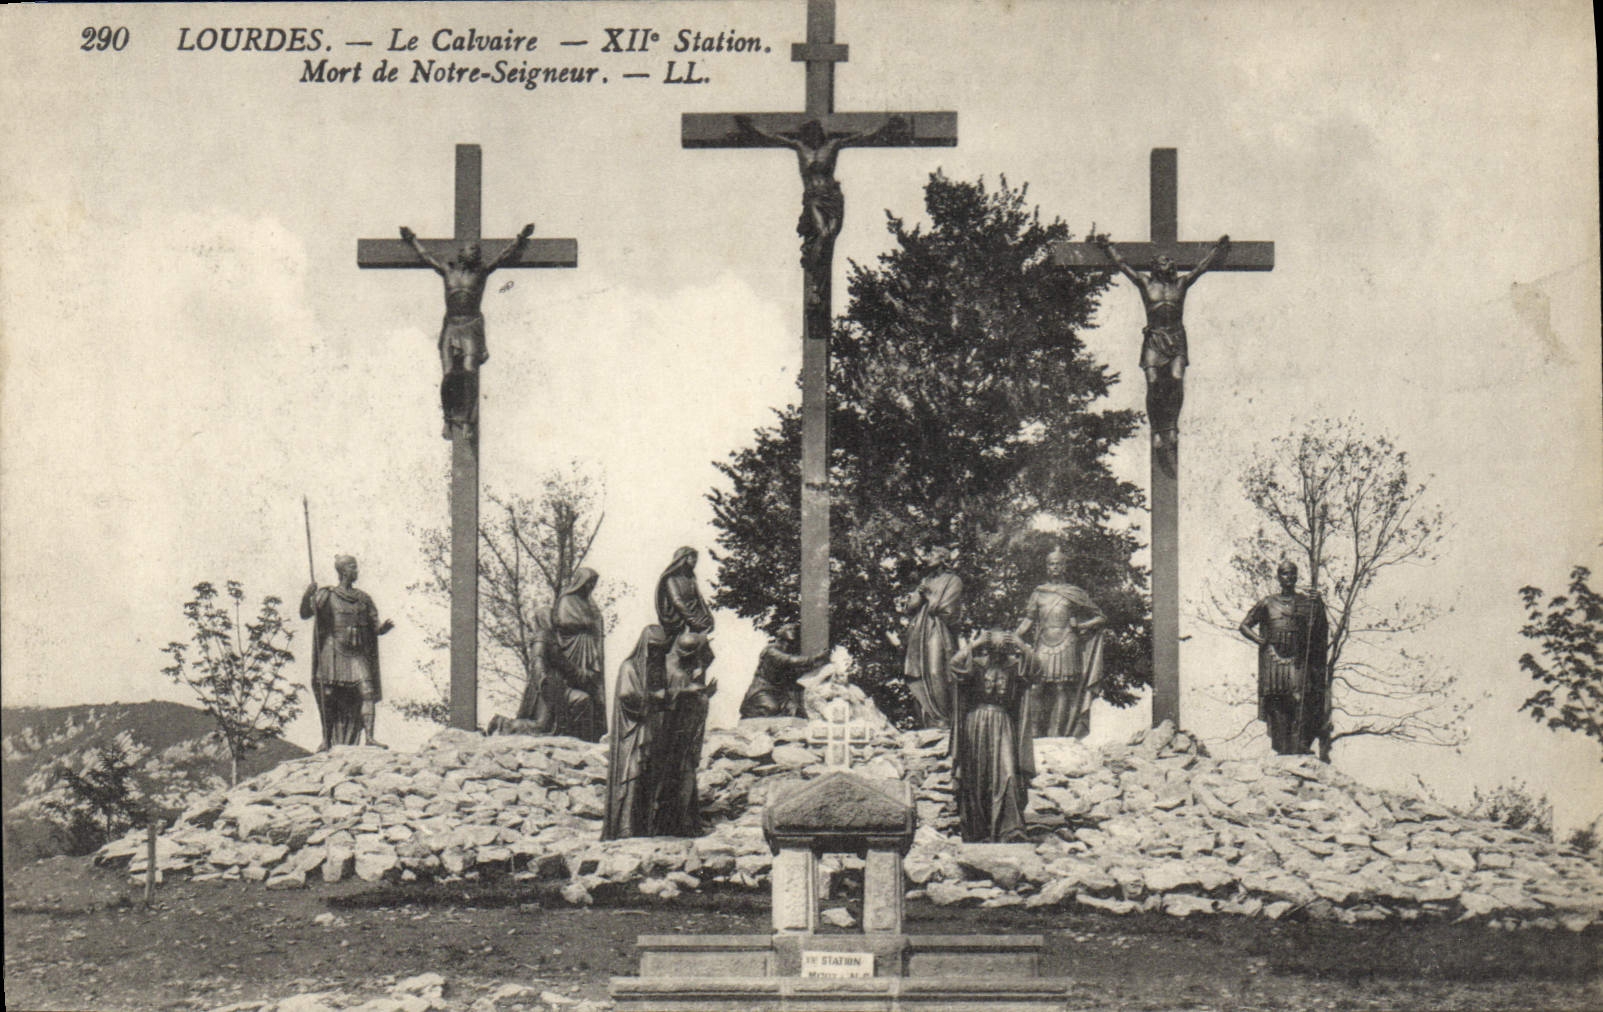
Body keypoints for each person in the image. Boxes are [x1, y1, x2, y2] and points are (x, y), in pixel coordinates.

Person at [733, 115, 909, 304]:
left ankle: (817, 279)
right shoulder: (799, 147)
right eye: (809, 132)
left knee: (829, 235)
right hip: (813, 200)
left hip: (832, 198)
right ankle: (816, 283)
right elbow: (772, 136)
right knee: (823, 235)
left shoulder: (833, 145)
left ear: (820, 133)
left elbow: (861, 136)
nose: (813, 135)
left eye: (815, 132)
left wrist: (883, 126)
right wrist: (750, 127)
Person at [1094, 232, 1230, 472]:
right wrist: (1107, 248)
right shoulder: (1145, 284)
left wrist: (1218, 250)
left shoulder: (1181, 284)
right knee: (1153, 384)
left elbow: (1202, 267)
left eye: (1168, 261)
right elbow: (1123, 265)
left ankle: (1172, 428)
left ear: (1172, 266)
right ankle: (1157, 430)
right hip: (1154, 338)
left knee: (1177, 379)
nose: (1165, 263)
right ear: (1154, 266)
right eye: (1160, 261)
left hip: (1176, 338)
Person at [398, 222, 534, 436]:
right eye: (473, 250)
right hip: (451, 325)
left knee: (470, 373)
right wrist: (412, 239)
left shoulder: (482, 272)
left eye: (478, 251)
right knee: (449, 375)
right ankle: (448, 420)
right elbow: (425, 256)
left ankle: (469, 422)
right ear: (461, 253)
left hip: (471, 326)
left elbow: (503, 255)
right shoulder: (447, 270)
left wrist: (520, 238)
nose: (477, 253)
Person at [950, 630, 1039, 843]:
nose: (998, 650)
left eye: (1003, 646)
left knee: (1007, 773)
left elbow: (1036, 670)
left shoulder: (1015, 666)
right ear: (987, 647)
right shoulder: (977, 664)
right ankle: (977, 830)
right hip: (976, 723)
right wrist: (973, 644)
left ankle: (1010, 829)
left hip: (1003, 722)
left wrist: (1023, 645)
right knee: (976, 775)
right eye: (993, 646)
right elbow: (954, 665)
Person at [300, 555, 393, 750]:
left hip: (356, 652)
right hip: (333, 651)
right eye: (353, 567)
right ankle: (326, 739)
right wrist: (307, 595)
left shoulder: (364, 599)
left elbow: (374, 626)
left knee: (367, 691)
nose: (357, 571)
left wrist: (382, 630)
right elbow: (306, 614)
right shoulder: (328, 595)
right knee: (327, 694)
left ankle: (369, 737)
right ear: (343, 571)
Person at [1238, 560, 1330, 755]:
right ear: (1279, 577)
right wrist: (1260, 640)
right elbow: (1245, 625)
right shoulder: (1267, 603)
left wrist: (1319, 605)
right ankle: (1282, 745)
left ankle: (1300, 743)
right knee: (1277, 701)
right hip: (1273, 659)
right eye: (1285, 574)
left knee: (1301, 699)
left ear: (1296, 577)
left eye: (1292, 574)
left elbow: (1319, 630)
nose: (1289, 578)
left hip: (1297, 657)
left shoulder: (1306, 602)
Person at [1015, 546, 1107, 738]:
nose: (1054, 567)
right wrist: (1014, 636)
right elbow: (1029, 619)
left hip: (1067, 642)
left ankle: (1057, 734)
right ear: (1046, 567)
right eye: (1050, 564)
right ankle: (1033, 733)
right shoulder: (1038, 593)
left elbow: (1100, 617)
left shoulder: (1075, 593)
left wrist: (1081, 626)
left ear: (1064, 566)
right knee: (1036, 687)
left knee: (1061, 688)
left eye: (1058, 564)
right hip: (1043, 642)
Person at [898, 546, 964, 728]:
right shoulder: (925, 580)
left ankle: (944, 718)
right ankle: (930, 719)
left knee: (936, 671)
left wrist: (929, 595)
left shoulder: (953, 580)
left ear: (943, 559)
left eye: (933, 555)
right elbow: (910, 609)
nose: (928, 558)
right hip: (920, 630)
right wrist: (919, 594)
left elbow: (948, 611)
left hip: (938, 628)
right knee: (919, 672)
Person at [550, 567, 606, 741]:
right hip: (573, 646)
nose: (591, 586)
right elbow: (563, 620)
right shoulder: (567, 599)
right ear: (580, 582)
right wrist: (586, 622)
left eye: (593, 583)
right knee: (575, 682)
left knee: (592, 686)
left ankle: (592, 734)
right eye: (589, 582)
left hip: (589, 648)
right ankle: (570, 730)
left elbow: (597, 622)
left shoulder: (589, 603)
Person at [739, 622, 829, 719]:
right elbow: (789, 660)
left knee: (797, 712)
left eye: (795, 629)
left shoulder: (788, 654)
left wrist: (818, 666)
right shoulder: (771, 650)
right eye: (789, 629)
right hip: (763, 690)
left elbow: (797, 671)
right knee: (771, 708)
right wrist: (816, 658)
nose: (793, 631)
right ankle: (750, 711)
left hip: (779, 693)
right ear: (780, 633)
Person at [655, 546, 715, 668]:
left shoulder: (691, 579)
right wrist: (692, 620)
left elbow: (700, 601)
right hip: (678, 620)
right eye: (692, 557)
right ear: (683, 559)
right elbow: (677, 601)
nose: (695, 561)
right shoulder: (671, 579)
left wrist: (707, 617)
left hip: (696, 619)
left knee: (707, 655)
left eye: (696, 558)